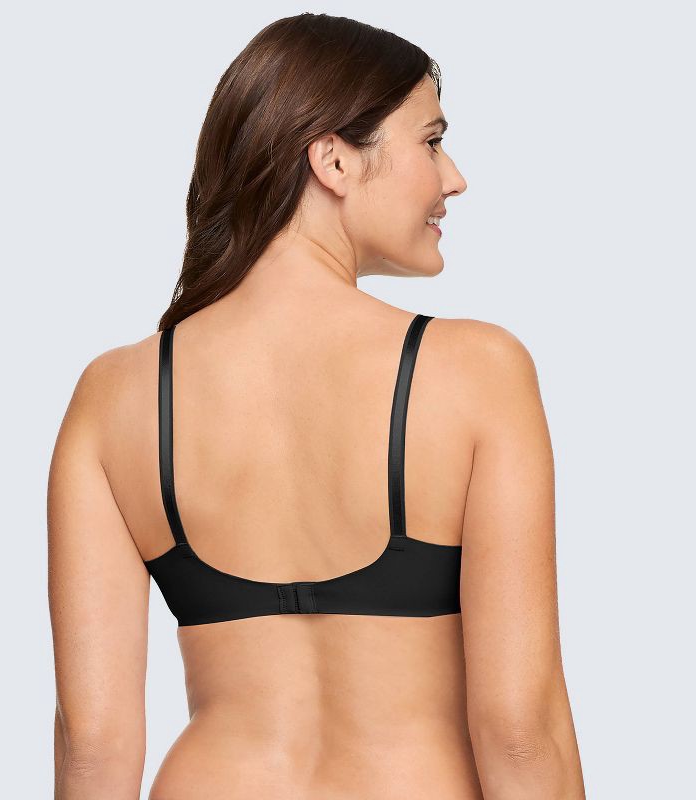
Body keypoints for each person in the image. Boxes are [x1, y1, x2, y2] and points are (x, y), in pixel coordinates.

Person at [48, 12, 585, 799]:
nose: (454, 178)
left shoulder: (116, 394)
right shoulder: (476, 372)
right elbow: (518, 728)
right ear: (333, 159)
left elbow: (94, 749)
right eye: (432, 142)